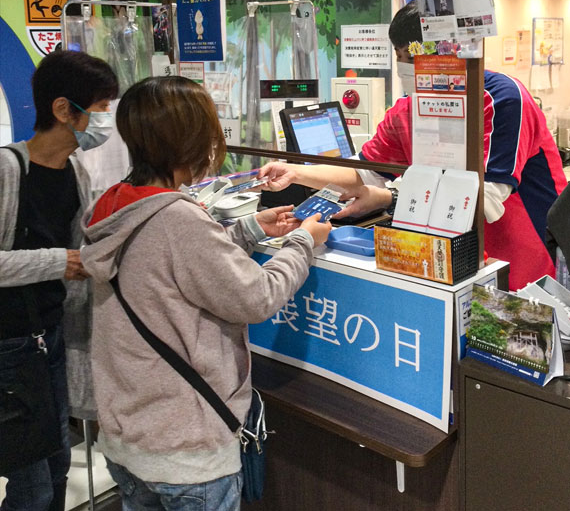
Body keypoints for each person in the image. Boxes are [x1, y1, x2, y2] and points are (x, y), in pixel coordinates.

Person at [80, 76, 330, 511]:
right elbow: (258, 297)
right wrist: (303, 242)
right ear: (190, 142)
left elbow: (172, 270)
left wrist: (249, 230)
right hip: (187, 451)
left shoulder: (116, 204)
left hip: (127, 438)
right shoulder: (178, 219)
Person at [258, 1, 567, 291]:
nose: (406, 67)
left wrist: (388, 197)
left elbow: (485, 201)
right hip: (450, 261)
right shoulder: (408, 109)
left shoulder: (503, 99)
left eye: (414, 57)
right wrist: (295, 172)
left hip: (526, 261)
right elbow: (363, 172)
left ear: (452, 52)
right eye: (400, 58)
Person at [0, 50, 119, 511]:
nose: (105, 119)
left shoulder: (76, 170)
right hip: (8, 347)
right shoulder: (9, 169)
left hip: (49, 339)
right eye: (99, 107)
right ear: (63, 110)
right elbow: (65, 258)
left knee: (56, 467)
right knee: (32, 488)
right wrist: (60, 261)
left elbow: (82, 249)